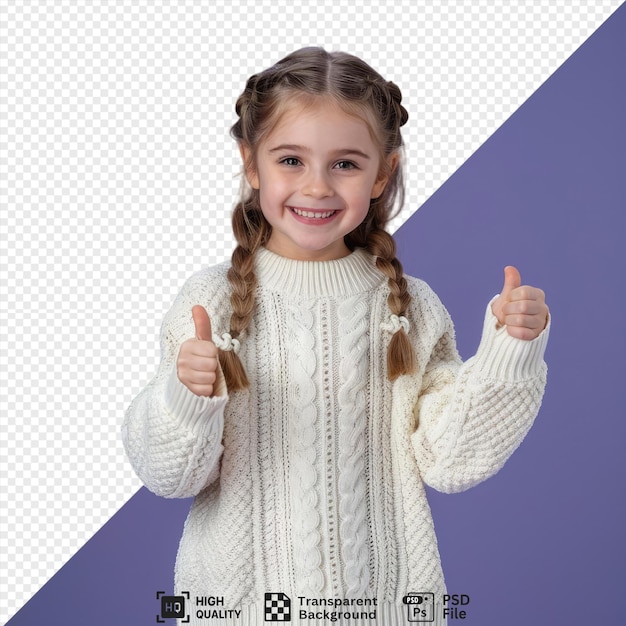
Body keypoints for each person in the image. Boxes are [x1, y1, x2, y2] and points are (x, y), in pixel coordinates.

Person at [122, 47, 550, 626]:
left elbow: (453, 461)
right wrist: (186, 399)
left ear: (383, 173)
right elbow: (168, 474)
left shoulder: (412, 309)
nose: (317, 187)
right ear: (252, 164)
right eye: (291, 160)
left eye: (345, 163)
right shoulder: (213, 303)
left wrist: (509, 353)